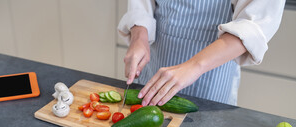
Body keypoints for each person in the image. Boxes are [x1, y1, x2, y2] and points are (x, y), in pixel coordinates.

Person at [118, 0, 286, 106]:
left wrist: (194, 66)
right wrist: (139, 35)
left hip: (212, 80)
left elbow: (253, 25)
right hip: (156, 62)